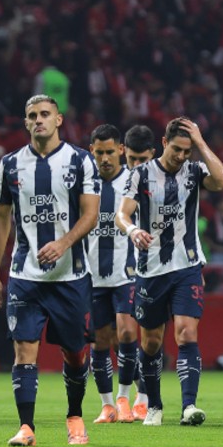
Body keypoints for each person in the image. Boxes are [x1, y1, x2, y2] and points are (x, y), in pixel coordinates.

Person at [0, 95, 101, 446]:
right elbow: (0, 219)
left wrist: (63, 243)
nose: (39, 120)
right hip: (25, 276)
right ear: (26, 122)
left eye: (45, 114)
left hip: (71, 276)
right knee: (24, 349)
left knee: (75, 353)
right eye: (32, 116)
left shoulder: (81, 161)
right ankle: (26, 427)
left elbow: (91, 214)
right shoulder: (9, 165)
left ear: (59, 120)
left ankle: (75, 416)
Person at [116, 117, 223, 427]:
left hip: (187, 266)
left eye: (188, 150)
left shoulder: (194, 172)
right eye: (178, 149)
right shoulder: (140, 175)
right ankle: (153, 405)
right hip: (151, 270)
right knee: (151, 343)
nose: (182, 156)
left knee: (186, 332)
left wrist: (201, 143)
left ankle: (189, 406)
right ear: (164, 144)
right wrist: (132, 230)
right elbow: (122, 214)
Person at [85, 124, 139, 424]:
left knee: (128, 331)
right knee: (99, 341)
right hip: (92, 275)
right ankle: (107, 405)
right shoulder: (84, 184)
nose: (105, 158)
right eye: (99, 152)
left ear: (121, 150)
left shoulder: (132, 182)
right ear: (92, 151)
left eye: (110, 151)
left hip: (126, 272)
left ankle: (124, 397)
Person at [119, 125, 155, 417]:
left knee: (149, 334)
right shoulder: (115, 181)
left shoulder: (163, 180)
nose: (136, 166)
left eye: (142, 160)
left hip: (154, 267)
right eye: (131, 159)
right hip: (119, 270)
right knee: (126, 334)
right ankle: (125, 394)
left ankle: (142, 398)